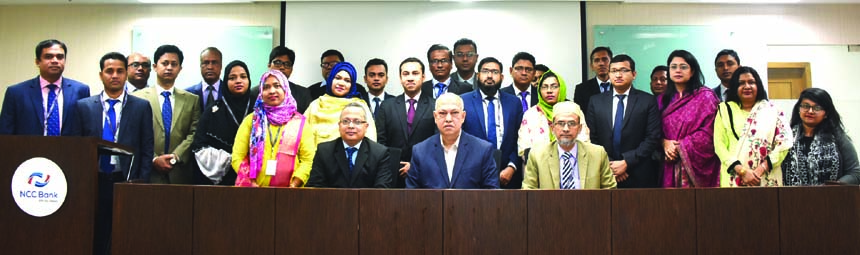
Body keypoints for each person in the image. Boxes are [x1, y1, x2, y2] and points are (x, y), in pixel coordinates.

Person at [71, 52, 154, 255]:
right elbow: (77, 149)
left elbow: (147, 147)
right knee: (95, 232)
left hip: (125, 180)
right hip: (94, 181)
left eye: (119, 71)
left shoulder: (141, 106)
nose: (114, 75)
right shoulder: (84, 107)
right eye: (109, 71)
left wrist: (141, 181)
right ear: (101, 75)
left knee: (123, 233)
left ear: (126, 74)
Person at [586, 54, 662, 188]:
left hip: (639, 172)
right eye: (614, 71)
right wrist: (610, 164)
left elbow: (652, 137)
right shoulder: (596, 101)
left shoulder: (647, 101)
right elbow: (592, 137)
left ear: (634, 74)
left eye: (624, 70)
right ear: (609, 74)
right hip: (604, 172)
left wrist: (627, 162)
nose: (618, 75)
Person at [232, 70, 314, 187]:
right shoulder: (251, 120)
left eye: (277, 86)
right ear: (261, 92)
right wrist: (250, 183)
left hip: (290, 193)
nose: (272, 91)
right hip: (253, 191)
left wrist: (295, 184)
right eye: (266, 87)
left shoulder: (299, 122)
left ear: (285, 89)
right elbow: (237, 156)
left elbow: (308, 159)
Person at [133, 44, 201, 184]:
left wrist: (175, 157)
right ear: (154, 66)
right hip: (147, 172)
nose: (169, 67)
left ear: (180, 69)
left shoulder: (192, 100)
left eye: (174, 64)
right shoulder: (137, 98)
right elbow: (133, 133)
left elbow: (194, 133)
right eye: (164, 63)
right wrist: (153, 159)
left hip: (179, 174)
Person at [714, 66, 793, 187]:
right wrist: (742, 171)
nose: (747, 86)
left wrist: (760, 169)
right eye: (741, 83)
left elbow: (784, 143)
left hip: (765, 176)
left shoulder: (773, 110)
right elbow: (719, 145)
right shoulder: (725, 110)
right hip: (734, 177)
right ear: (735, 87)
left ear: (758, 85)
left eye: (751, 82)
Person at [406, 93, 499, 189]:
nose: (448, 119)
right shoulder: (420, 151)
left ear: (463, 116)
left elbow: (492, 194)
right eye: (442, 113)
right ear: (435, 116)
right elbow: (411, 194)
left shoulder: (482, 150)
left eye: (454, 113)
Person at [0, 39, 90, 136]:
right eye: (48, 57)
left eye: (60, 57)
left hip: (69, 150)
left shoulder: (81, 90)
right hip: (28, 150)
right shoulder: (16, 93)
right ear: (37, 62)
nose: (55, 61)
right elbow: (5, 133)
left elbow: (86, 129)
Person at [658, 50, 720, 188]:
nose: (678, 70)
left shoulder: (706, 97)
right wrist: (664, 143)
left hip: (699, 164)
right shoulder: (662, 100)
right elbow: (654, 130)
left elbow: (711, 132)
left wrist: (681, 146)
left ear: (692, 71)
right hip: (668, 163)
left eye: (683, 67)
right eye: (673, 67)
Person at [191, 60, 258, 185]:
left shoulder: (260, 109)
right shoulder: (213, 110)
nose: (238, 81)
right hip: (222, 178)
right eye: (232, 78)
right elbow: (199, 146)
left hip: (256, 176)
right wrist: (228, 160)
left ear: (249, 80)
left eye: (243, 77)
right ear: (225, 82)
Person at [461, 57, 524, 189]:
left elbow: (519, 139)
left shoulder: (514, 103)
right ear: (478, 76)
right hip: (471, 176)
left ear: (501, 77)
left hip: (507, 175)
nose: (489, 76)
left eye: (495, 72)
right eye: (485, 71)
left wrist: (512, 167)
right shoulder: (463, 101)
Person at [523, 102, 617, 189]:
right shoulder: (537, 155)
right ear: (552, 128)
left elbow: (610, 192)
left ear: (580, 128)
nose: (566, 129)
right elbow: (528, 191)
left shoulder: (597, 154)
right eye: (560, 123)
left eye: (572, 123)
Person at [375, 57, 437, 188]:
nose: (410, 78)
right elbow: (381, 142)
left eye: (415, 73)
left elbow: (437, 142)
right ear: (400, 77)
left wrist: (415, 165)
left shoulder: (435, 106)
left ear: (423, 77)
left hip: (426, 175)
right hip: (392, 175)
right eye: (405, 74)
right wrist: (394, 164)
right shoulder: (387, 106)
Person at [782, 88, 860, 186]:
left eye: (817, 108)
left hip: (831, 198)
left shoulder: (837, 136)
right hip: (792, 198)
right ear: (799, 109)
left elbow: (855, 173)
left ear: (826, 113)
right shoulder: (786, 137)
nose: (810, 111)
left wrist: (831, 187)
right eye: (806, 106)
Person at [306, 102, 393, 188]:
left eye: (357, 122)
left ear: (366, 127)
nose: (351, 126)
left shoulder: (379, 153)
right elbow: (315, 187)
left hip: (367, 201)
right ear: (339, 125)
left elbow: (382, 189)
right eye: (345, 121)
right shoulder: (324, 151)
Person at [518, 70, 590, 160]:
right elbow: (524, 148)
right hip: (539, 168)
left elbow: (584, 142)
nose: (549, 91)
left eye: (554, 86)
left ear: (561, 88)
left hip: (572, 164)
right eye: (544, 87)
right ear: (539, 90)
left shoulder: (574, 111)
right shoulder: (531, 114)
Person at [305, 62, 377, 147]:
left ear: (352, 85)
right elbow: (302, 135)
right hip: (317, 157)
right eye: (337, 78)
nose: (341, 83)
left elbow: (370, 138)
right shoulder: (316, 104)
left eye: (347, 81)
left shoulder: (360, 106)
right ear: (331, 79)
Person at [268, 46, 311, 114]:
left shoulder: (303, 93)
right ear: (269, 65)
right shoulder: (256, 92)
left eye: (287, 64)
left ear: (291, 69)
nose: (282, 67)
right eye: (278, 63)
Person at [573, 46, 612, 113]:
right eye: (597, 60)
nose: (601, 63)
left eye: (604, 59)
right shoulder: (581, 89)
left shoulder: (621, 86)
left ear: (612, 63)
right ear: (591, 66)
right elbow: (580, 116)